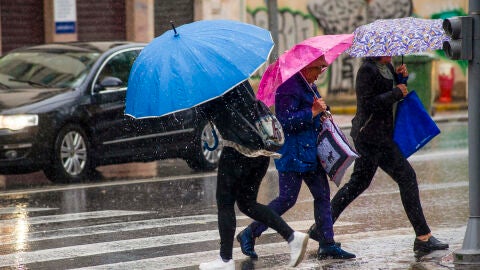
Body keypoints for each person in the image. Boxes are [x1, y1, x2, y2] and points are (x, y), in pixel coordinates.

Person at [309, 56, 448, 256]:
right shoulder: (367, 70)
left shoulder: (387, 66)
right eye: (386, 50)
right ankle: (423, 237)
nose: (390, 53)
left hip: (381, 135)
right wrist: (395, 92)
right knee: (406, 177)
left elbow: (396, 94)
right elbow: (369, 103)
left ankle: (321, 227)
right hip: (371, 136)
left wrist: (401, 80)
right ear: (376, 51)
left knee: (359, 183)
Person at [236, 56, 356, 260]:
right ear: (306, 66)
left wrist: (323, 112)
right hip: (293, 153)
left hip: (311, 151)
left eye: (323, 68)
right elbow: (285, 121)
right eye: (319, 68)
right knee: (287, 199)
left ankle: (327, 243)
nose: (320, 72)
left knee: (322, 195)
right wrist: (312, 111)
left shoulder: (308, 84)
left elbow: (316, 110)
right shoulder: (288, 86)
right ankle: (250, 232)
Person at [198, 80, 309, 270]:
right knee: (247, 203)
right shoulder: (236, 77)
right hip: (260, 148)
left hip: (237, 150)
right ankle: (292, 237)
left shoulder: (209, 86)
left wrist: (199, 103)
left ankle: (225, 260)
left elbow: (209, 112)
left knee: (225, 203)